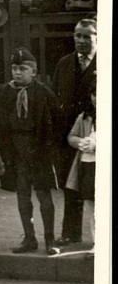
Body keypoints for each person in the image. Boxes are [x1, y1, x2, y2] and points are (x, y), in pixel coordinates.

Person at [0, 49, 59, 255]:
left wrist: (48, 151)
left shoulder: (44, 93)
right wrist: (6, 151)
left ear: (34, 72)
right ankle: (29, 238)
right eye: (14, 68)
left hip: (39, 151)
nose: (17, 73)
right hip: (17, 152)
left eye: (23, 69)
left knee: (44, 196)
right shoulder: (7, 92)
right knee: (22, 195)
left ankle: (50, 239)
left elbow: (57, 123)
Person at [52, 19, 97, 246]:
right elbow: (55, 97)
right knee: (71, 184)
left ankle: (101, 237)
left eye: (87, 36)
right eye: (78, 35)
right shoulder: (64, 63)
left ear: (98, 37)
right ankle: (70, 233)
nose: (81, 40)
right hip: (70, 134)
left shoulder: (104, 60)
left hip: (96, 128)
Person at [65, 84, 96, 259]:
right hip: (88, 164)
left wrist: (97, 145)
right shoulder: (85, 116)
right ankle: (97, 242)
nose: (96, 99)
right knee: (92, 204)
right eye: (94, 95)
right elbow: (71, 136)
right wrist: (81, 142)